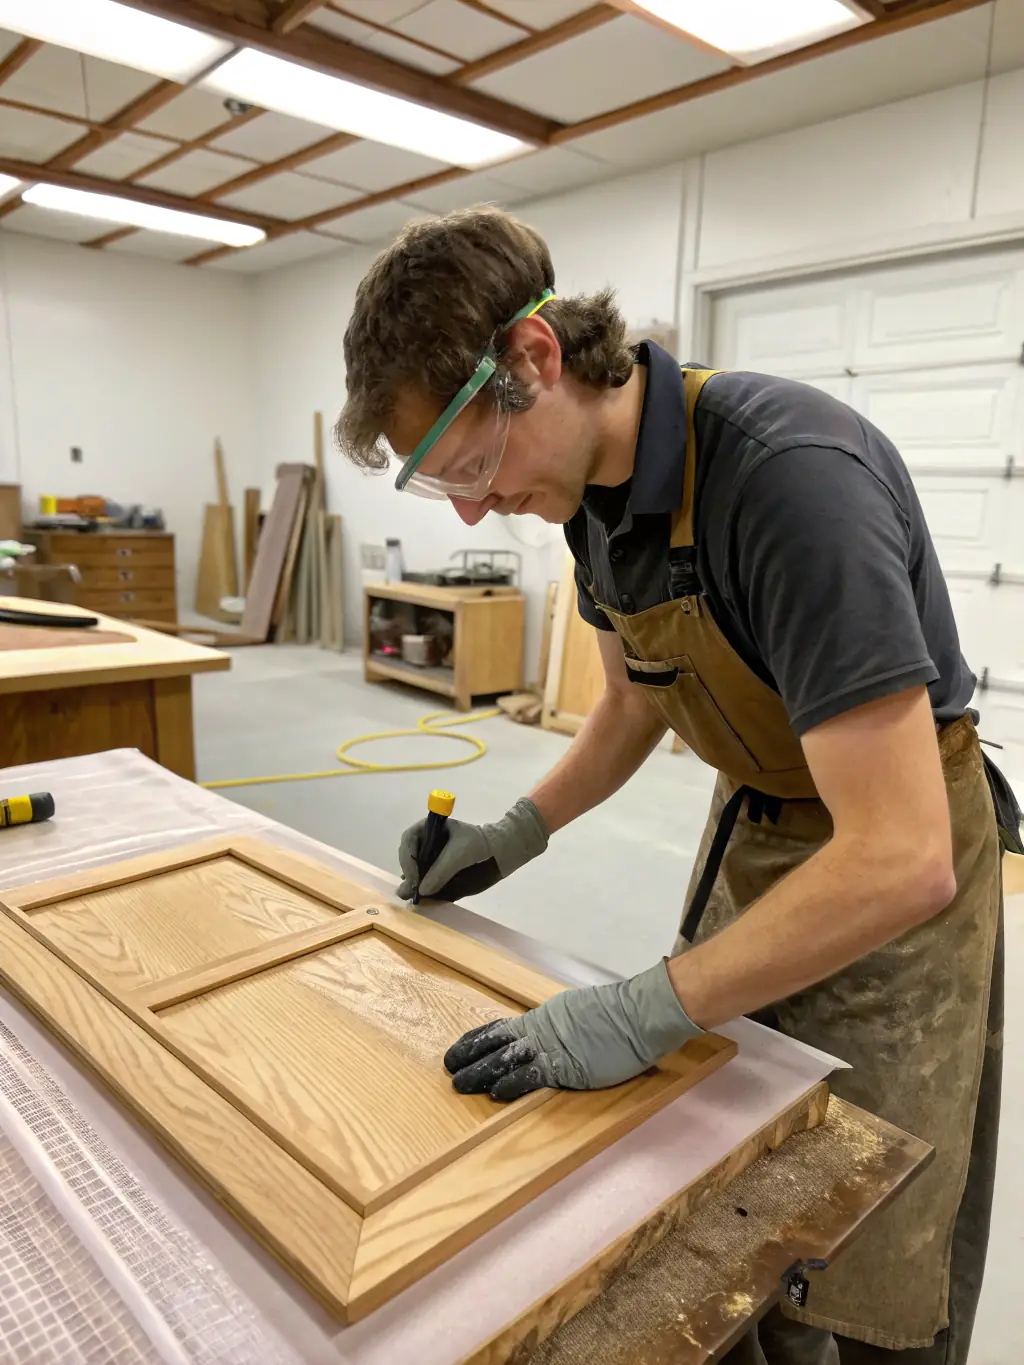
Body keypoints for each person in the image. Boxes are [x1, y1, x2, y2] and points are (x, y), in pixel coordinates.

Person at [335, 206, 1020, 1365]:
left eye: (468, 464)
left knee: (867, 1226)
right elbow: (635, 702)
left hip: (895, 870)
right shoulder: (586, 505)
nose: (467, 508)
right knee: (727, 1178)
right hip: (756, 826)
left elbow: (900, 855)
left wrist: (637, 1007)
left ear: (534, 361)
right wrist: (511, 836)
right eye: (439, 485)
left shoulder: (787, 477)